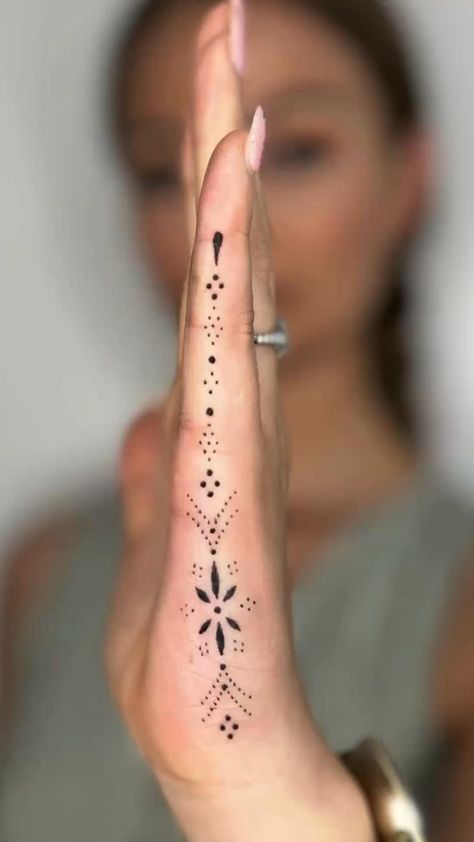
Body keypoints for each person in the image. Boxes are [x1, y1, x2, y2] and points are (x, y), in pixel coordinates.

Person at [1, 0, 474, 839]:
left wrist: (261, 791)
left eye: (296, 151)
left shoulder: (458, 600)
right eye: (163, 169)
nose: (226, 207)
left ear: (409, 179)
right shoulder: (48, 569)